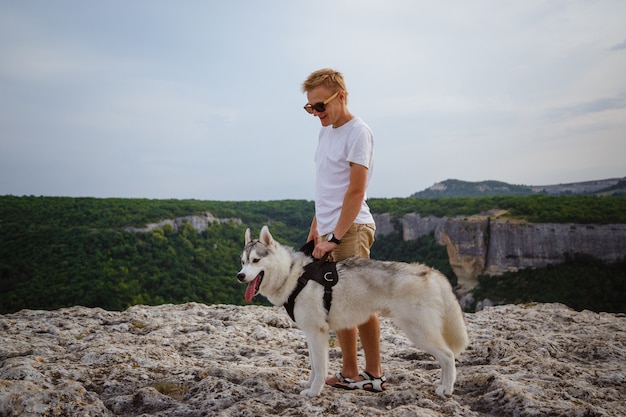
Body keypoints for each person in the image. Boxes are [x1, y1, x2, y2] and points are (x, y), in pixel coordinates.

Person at [301, 68, 386, 392]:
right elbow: (326, 189)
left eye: (320, 106)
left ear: (342, 96)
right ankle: (350, 372)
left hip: (351, 228)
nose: (315, 113)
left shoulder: (357, 132)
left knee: (360, 301)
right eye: (310, 107)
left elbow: (355, 191)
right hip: (329, 229)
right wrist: (316, 230)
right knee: (339, 304)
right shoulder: (326, 132)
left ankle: (374, 373)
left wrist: (335, 236)